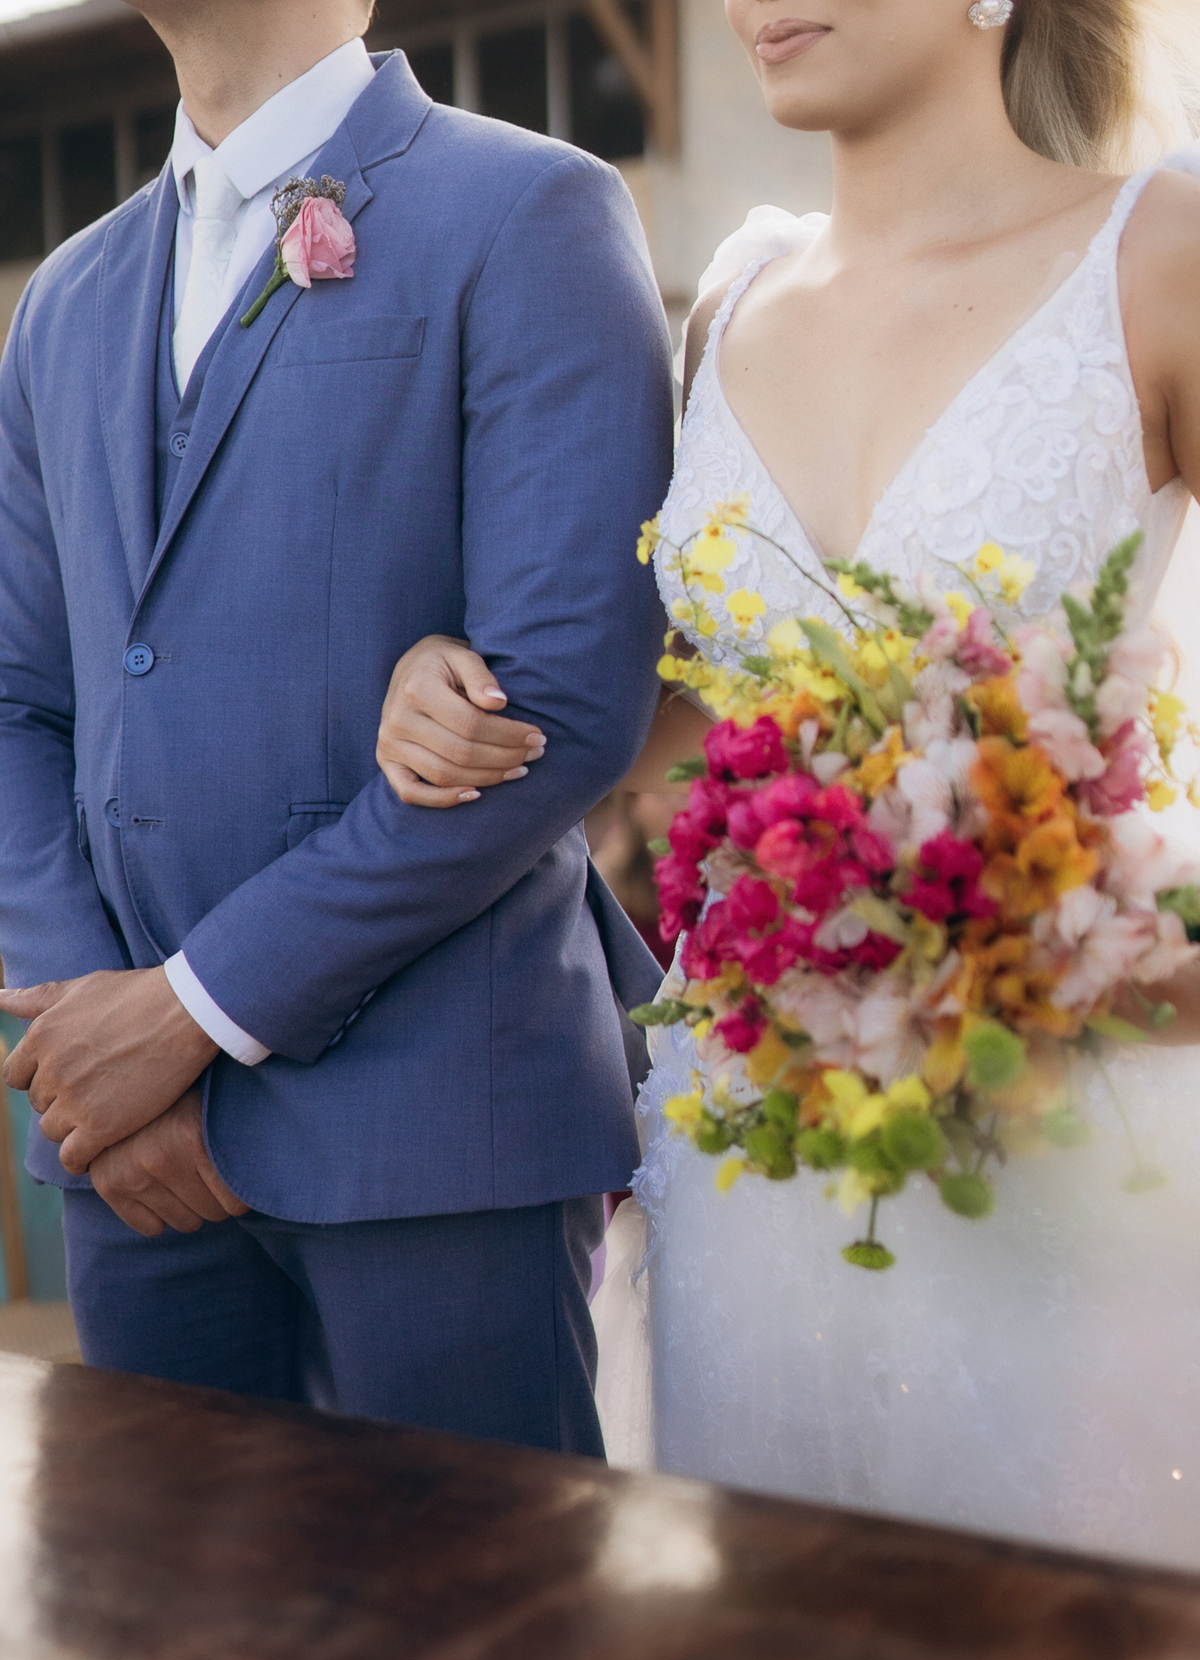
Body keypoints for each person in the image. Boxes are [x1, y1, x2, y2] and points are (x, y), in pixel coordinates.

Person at [370, 0, 1200, 1564]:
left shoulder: (1160, 251)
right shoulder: (730, 295)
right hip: (755, 1135)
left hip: (1070, 1127)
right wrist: (440, 683)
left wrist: (1135, 960)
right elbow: (677, 703)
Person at [0, 0, 674, 1451]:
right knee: (169, 1652)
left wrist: (191, 1015)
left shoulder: (532, 212)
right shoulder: (64, 297)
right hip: (124, 1158)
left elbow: (560, 694)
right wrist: (95, 1046)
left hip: (438, 1128)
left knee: (484, 1650)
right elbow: (15, 701)